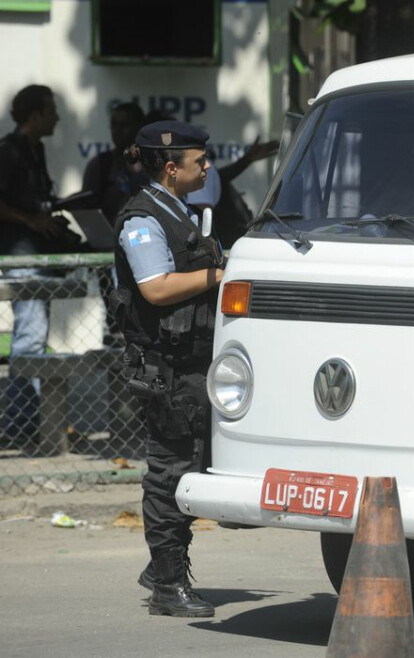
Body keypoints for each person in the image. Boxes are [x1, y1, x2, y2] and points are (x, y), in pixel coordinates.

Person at [111, 120, 223, 618]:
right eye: (201, 161)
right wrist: (220, 273)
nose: (208, 167)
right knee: (170, 473)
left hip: (191, 363)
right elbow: (155, 288)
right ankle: (167, 587)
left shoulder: (178, 212)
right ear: (172, 167)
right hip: (165, 367)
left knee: (192, 466)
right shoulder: (142, 220)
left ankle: (161, 569)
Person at [0, 84, 79, 445]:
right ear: (35, 116)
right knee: (30, 342)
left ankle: (28, 422)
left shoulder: (35, 149)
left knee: (34, 340)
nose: (57, 117)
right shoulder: (11, 151)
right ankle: (19, 426)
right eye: (51, 111)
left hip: (36, 255)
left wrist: (54, 212)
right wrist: (31, 221)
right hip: (23, 257)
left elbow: (35, 201)